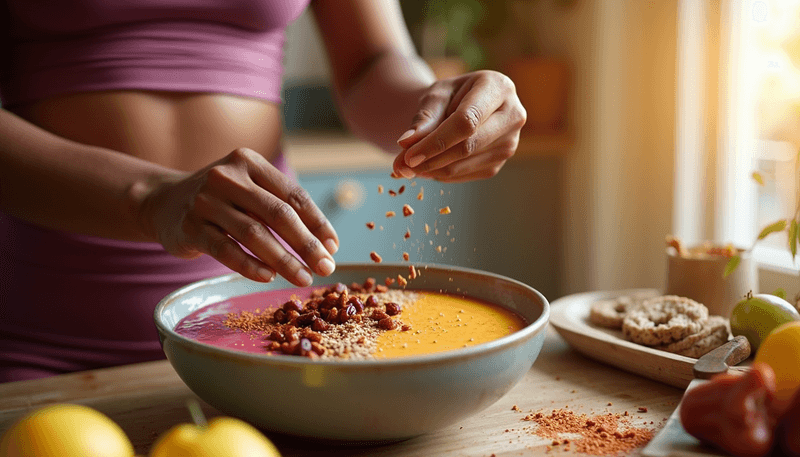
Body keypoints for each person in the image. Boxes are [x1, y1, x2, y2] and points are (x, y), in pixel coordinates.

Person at [0, 0, 526, 382]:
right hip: (47, 338)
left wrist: (439, 109)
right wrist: (150, 198)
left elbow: (371, 64)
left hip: (263, 335)